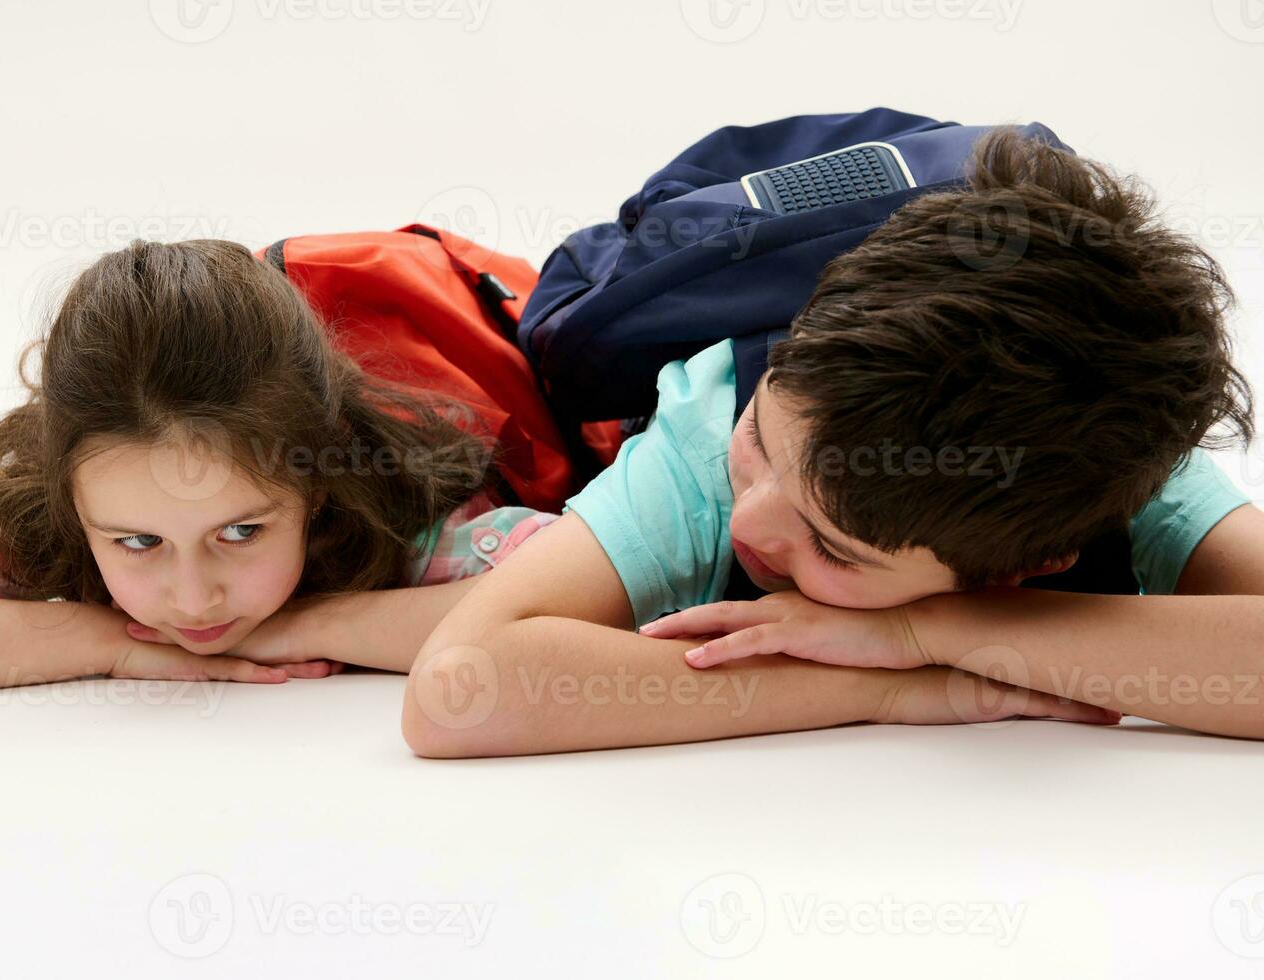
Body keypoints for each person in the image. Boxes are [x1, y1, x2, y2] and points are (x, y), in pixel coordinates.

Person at [394, 128, 1264, 756]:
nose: (754, 524)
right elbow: (458, 687)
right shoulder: (721, 421)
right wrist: (884, 686)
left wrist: (930, 632)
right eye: (762, 448)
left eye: (832, 548)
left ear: (1018, 569)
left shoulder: (1107, 465)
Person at [0, 238, 555, 697]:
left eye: (243, 531)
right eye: (136, 544)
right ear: (68, 496)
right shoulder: (57, 492)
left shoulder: (384, 495)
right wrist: (109, 642)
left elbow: (597, 590)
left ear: (316, 489)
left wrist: (318, 622)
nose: (193, 600)